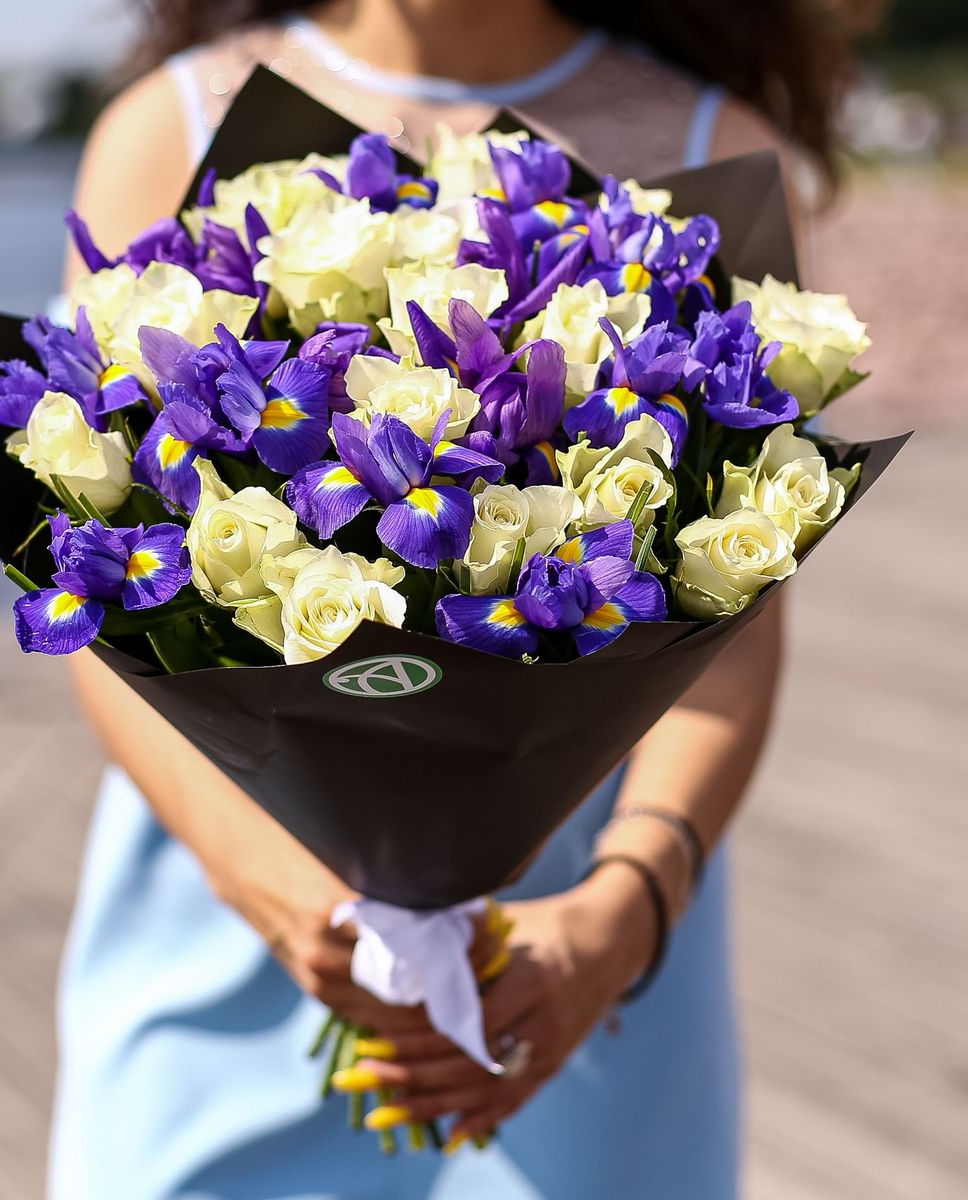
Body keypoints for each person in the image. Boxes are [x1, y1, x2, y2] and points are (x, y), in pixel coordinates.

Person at [51, 3, 866, 1196]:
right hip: (235, 913)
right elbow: (94, 592)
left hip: (572, 950)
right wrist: (288, 905)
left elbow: (736, 615)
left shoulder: (706, 139)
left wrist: (626, 909)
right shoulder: (167, 125)